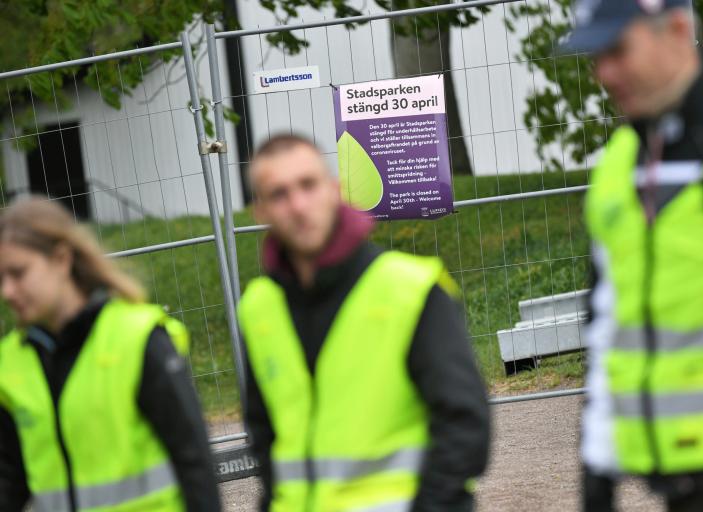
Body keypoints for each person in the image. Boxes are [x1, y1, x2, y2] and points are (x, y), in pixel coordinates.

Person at [560, 0, 703, 510]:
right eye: (595, 56)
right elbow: (609, 328)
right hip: (677, 485)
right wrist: (598, 465)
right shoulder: (615, 172)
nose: (604, 73)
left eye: (617, 50)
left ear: (677, 29)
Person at [238, 134, 491, 512]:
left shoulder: (409, 289)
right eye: (279, 194)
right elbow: (264, 433)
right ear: (260, 212)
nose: (298, 206)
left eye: (308, 185)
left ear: (335, 190)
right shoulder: (260, 308)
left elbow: (465, 425)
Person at [0, 197, 221, 511]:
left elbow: (194, 462)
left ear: (61, 259)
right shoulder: (10, 364)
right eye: (0, 279)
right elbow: (9, 483)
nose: (6, 292)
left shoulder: (137, 337)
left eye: (18, 273)